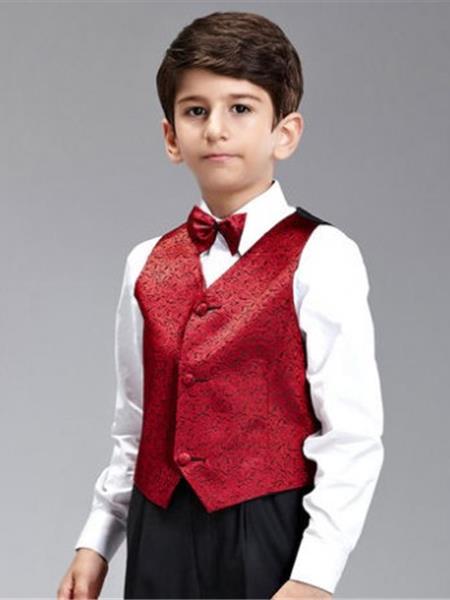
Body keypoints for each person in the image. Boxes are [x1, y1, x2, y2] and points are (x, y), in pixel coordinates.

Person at [57, 10, 384, 600]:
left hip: (268, 531)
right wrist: (96, 540)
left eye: (240, 108)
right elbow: (135, 425)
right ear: (170, 137)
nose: (215, 129)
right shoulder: (144, 262)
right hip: (159, 528)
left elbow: (351, 435)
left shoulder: (323, 255)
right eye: (195, 111)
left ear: (285, 133)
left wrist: (315, 574)